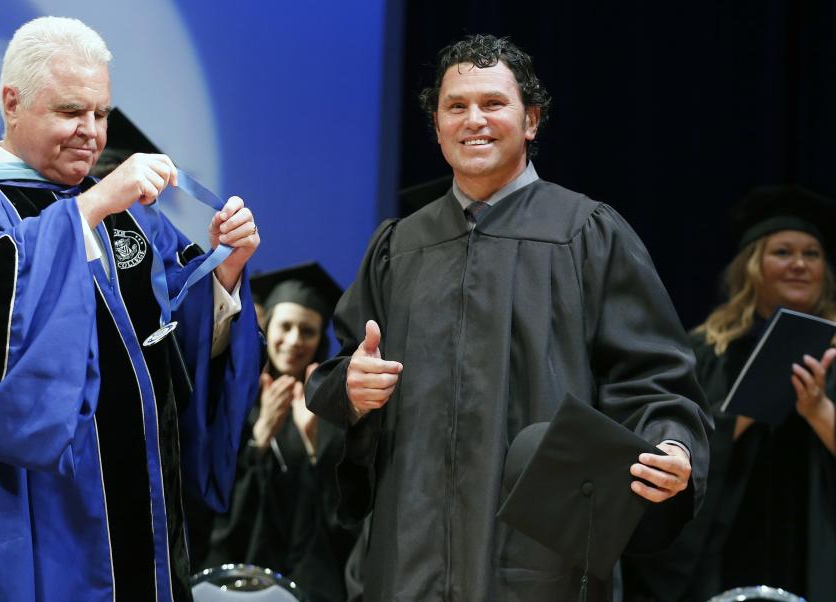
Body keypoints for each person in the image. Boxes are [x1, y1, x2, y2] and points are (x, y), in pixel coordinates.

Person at [305, 34, 711, 600]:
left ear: (531, 120)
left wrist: (670, 444)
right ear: (438, 125)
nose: (474, 120)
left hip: (543, 551)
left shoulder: (585, 233)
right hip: (409, 555)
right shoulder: (399, 247)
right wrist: (351, 388)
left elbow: (654, 376)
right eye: (456, 106)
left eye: (494, 103)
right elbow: (340, 371)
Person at [0, 16, 261, 602]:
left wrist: (226, 273)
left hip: (146, 527)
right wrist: (85, 212)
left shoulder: (133, 220)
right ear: (12, 103)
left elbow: (178, 356)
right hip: (34, 528)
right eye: (70, 112)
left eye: (100, 113)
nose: (91, 132)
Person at [623, 185, 836, 601]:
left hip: (815, 549)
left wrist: (818, 409)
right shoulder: (706, 351)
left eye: (811, 254)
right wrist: (745, 412)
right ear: (753, 266)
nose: (799, 265)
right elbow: (679, 444)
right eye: (783, 252)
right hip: (726, 551)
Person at [198, 263, 358, 601]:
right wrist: (259, 439)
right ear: (267, 328)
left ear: (319, 341)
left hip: (311, 586)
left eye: (307, 331)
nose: (294, 341)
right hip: (237, 582)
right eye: (285, 327)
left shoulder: (332, 414)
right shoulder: (234, 400)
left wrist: (317, 449)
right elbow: (214, 512)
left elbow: (345, 524)